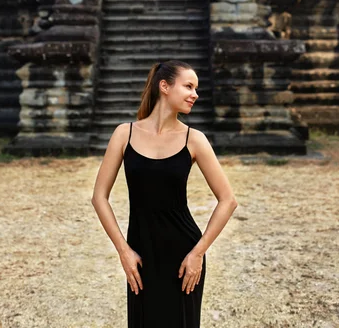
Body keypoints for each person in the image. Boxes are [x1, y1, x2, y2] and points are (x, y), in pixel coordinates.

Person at [91, 59, 238, 328]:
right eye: (189, 86)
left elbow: (228, 200)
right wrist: (123, 251)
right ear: (165, 86)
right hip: (140, 255)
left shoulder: (194, 139)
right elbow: (99, 197)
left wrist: (198, 253)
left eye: (196, 88)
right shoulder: (124, 134)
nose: (196, 94)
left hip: (183, 256)